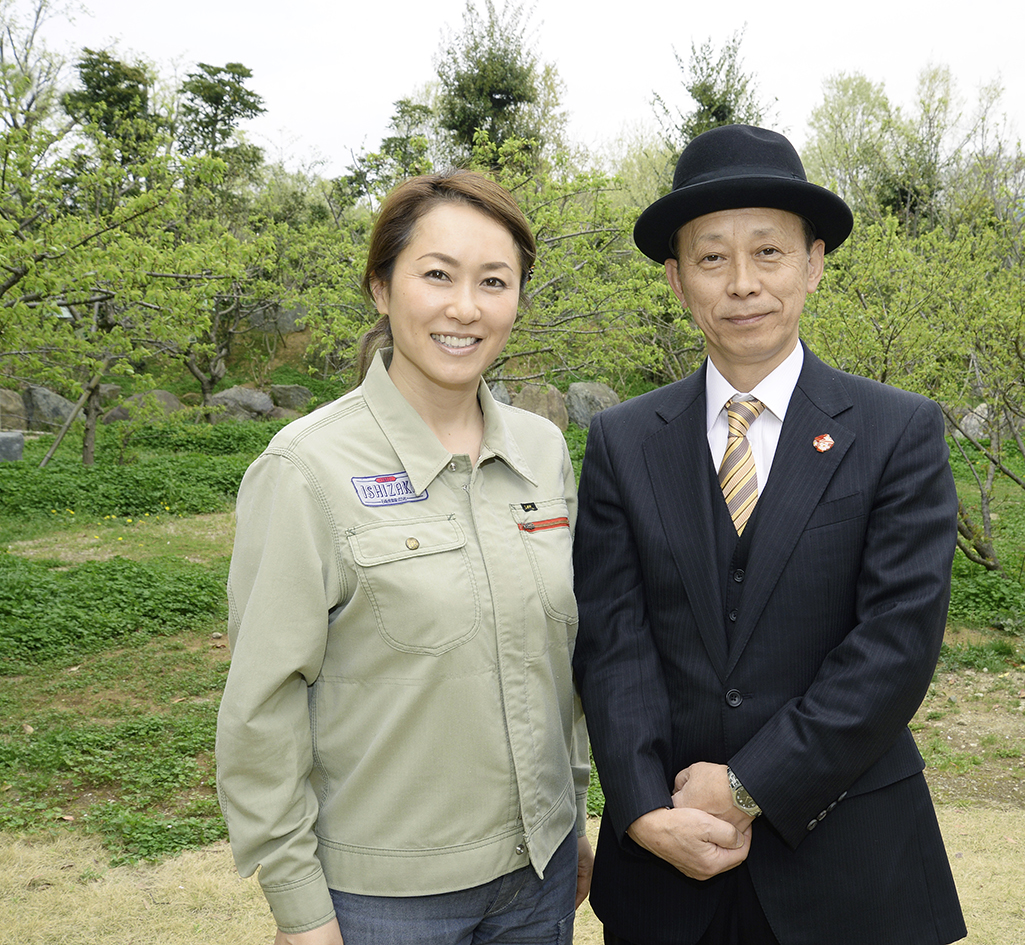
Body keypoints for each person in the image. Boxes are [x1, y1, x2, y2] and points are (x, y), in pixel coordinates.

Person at [571, 124, 966, 945]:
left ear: (813, 263)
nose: (742, 283)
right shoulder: (623, 441)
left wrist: (748, 784)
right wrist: (643, 808)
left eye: (768, 253)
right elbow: (614, 639)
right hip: (667, 868)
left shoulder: (898, 431)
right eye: (712, 258)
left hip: (850, 862)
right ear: (678, 280)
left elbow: (894, 644)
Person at [216, 169, 593, 945]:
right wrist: (299, 906)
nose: (465, 307)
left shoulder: (541, 450)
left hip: (539, 875)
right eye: (436, 275)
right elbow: (262, 704)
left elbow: (566, 658)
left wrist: (572, 811)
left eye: (494, 281)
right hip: (384, 899)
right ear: (382, 289)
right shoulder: (305, 468)